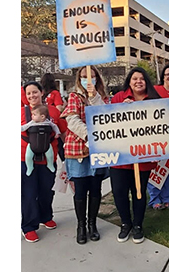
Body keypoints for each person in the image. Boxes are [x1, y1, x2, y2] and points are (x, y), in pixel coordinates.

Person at [110, 67, 161, 244]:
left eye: (142, 79)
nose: (138, 81)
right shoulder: (118, 98)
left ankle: (138, 225)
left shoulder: (154, 99)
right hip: (120, 156)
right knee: (119, 192)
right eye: (134, 79)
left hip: (143, 156)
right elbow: (107, 121)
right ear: (129, 82)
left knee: (139, 191)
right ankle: (125, 223)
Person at [60, 65, 108, 245]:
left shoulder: (102, 97)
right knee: (80, 191)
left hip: (98, 151)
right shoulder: (74, 97)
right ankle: (80, 226)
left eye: (92, 76)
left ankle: (92, 225)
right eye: (84, 77)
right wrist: (90, 134)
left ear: (97, 78)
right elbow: (72, 119)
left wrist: (94, 96)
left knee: (96, 189)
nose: (88, 80)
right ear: (78, 79)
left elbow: (104, 115)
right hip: (78, 150)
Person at [21, 82, 67, 243]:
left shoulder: (53, 111)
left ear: (41, 93)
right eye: (29, 94)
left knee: (47, 190)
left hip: (48, 159)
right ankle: (29, 226)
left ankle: (45, 216)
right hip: (25, 160)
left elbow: (62, 133)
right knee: (29, 193)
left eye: (35, 92)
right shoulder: (20, 113)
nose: (32, 96)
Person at [147, 65, 169, 210]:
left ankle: (168, 199)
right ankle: (154, 199)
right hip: (155, 136)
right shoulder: (155, 90)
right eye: (167, 74)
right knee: (155, 169)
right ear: (163, 77)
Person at [21, 104, 61, 176]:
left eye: (34, 114)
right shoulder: (31, 123)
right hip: (32, 144)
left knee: (50, 155)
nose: (32, 116)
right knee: (28, 156)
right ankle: (30, 167)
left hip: (46, 144)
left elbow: (55, 126)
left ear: (42, 116)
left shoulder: (48, 122)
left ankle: (50, 164)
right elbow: (24, 127)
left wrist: (57, 133)